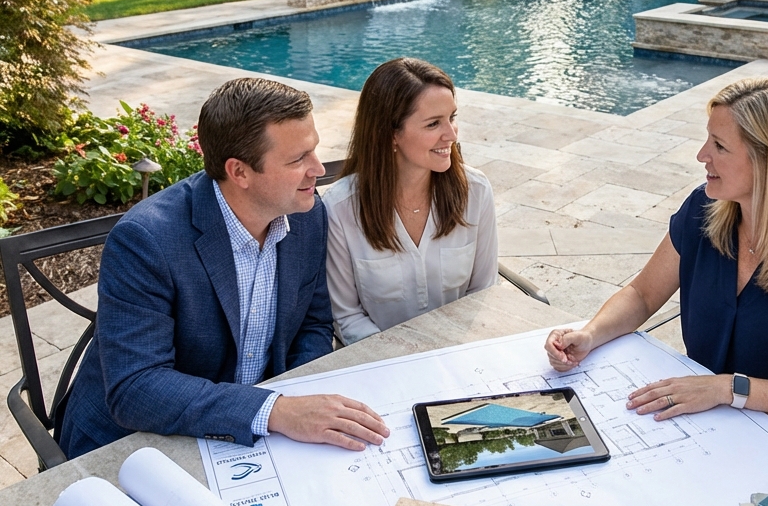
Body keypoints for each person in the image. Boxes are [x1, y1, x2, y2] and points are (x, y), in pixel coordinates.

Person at [60, 77, 389, 459]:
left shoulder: (307, 215)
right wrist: (275, 411)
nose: (318, 169)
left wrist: (299, 399)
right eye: (298, 159)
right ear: (240, 172)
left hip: (250, 440)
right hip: (131, 446)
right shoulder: (146, 240)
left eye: (313, 151)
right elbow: (136, 387)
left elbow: (312, 325)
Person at [545, 77, 768, 428]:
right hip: (705, 425)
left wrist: (728, 389)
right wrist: (590, 334)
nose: (702, 155)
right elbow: (642, 295)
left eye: (719, 146)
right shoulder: (703, 210)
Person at [323, 58, 498, 345]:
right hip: (379, 365)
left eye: (452, 118)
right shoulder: (341, 208)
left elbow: (483, 291)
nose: (451, 135)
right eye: (433, 124)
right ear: (391, 134)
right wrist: (403, 357)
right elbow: (346, 316)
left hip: (459, 354)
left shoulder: (475, 191)